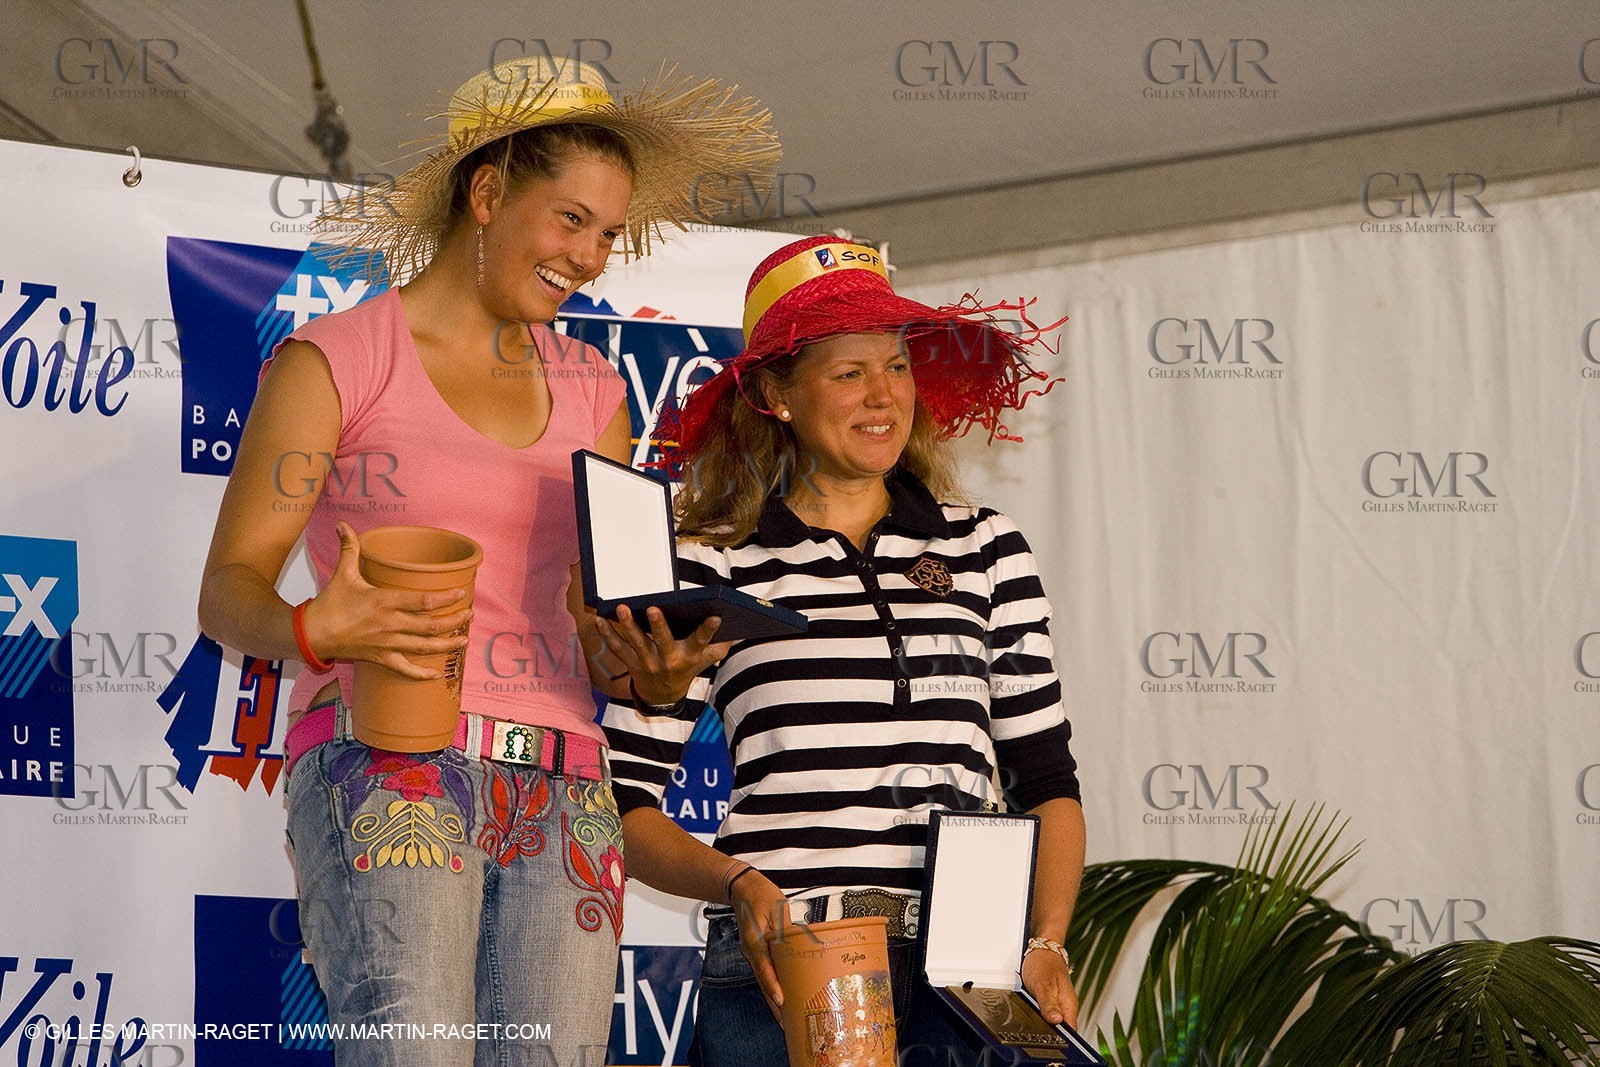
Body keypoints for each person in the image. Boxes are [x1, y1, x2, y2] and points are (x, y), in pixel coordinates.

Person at [196, 57, 777, 1067]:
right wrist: (310, 627)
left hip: (566, 783)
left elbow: (595, 629)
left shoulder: (595, 387)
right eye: (571, 220)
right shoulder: (336, 357)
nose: (590, 256)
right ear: (487, 193)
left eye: (607, 235)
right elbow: (227, 591)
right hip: (391, 761)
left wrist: (644, 663)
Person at [600, 236, 1083, 1066]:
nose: (882, 394)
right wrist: (736, 883)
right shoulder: (714, 562)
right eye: (848, 371)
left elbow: (1047, 781)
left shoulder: (987, 549)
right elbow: (626, 804)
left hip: (968, 977)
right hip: (791, 964)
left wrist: (1046, 941)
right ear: (774, 394)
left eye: (895, 366)